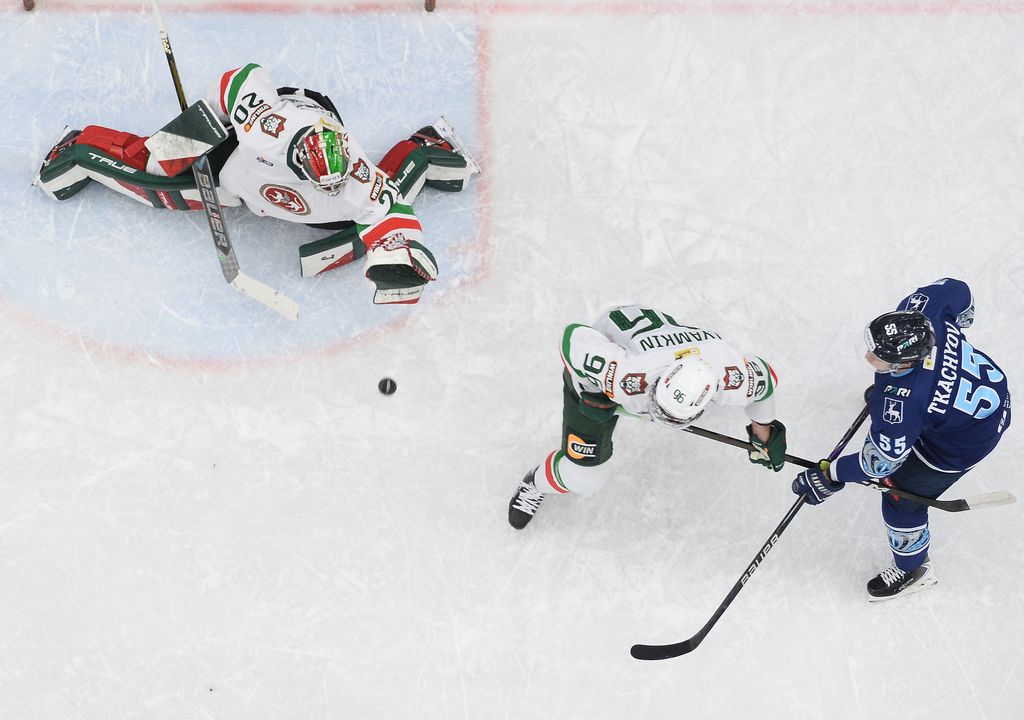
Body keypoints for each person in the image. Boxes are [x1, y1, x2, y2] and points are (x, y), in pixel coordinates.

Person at [34, 63, 479, 305]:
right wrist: (197, 128)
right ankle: (79, 146)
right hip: (235, 152)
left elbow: (390, 209)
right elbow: (239, 79)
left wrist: (402, 254)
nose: (334, 188)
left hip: (296, 153)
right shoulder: (269, 129)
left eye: (336, 183)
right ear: (301, 164)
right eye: (323, 183)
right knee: (156, 171)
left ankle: (428, 145)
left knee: (355, 217)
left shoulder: (354, 176)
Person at [791, 278, 1012, 600]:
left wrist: (830, 476)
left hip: (962, 443)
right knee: (904, 407)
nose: (869, 357)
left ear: (907, 362)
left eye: (880, 357)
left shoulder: (905, 403)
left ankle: (913, 569)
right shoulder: (925, 309)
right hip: (983, 395)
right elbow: (958, 289)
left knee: (901, 501)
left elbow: (877, 465)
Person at [508, 303, 788, 530]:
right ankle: (535, 481)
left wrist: (763, 433)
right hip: (608, 364)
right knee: (584, 478)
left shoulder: (732, 376)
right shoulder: (623, 375)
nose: (659, 416)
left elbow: (765, 381)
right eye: (659, 407)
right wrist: (593, 393)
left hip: (680, 347)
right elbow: (572, 337)